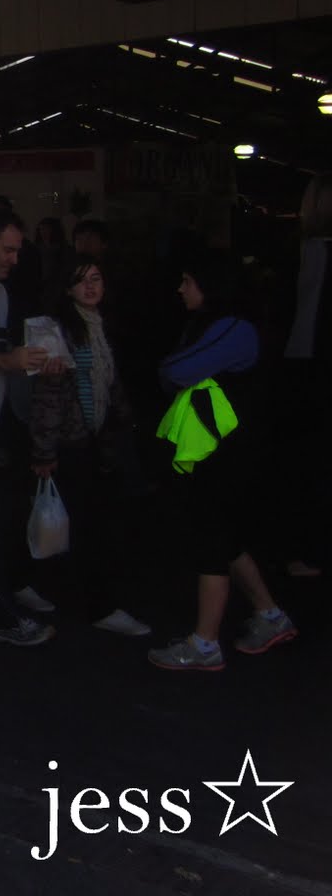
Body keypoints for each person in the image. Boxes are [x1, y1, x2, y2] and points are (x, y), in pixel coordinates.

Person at [148, 251, 296, 671]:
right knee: (228, 540)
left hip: (225, 454)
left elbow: (175, 370)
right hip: (235, 451)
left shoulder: (234, 329)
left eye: (187, 280)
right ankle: (270, 615)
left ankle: (205, 644)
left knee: (211, 541)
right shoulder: (238, 327)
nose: (180, 289)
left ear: (210, 286)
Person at [28, 254, 152, 637]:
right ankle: (96, 603)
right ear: (67, 288)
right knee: (84, 525)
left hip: (99, 439)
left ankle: (68, 592)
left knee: (93, 523)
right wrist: (44, 451)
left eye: (96, 278)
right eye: (82, 280)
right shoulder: (58, 330)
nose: (91, 286)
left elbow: (112, 385)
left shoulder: (103, 327)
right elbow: (49, 396)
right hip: (72, 442)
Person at [0, 209, 55, 647]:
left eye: (18, 251)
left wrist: (34, 361)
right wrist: (9, 361)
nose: (13, 258)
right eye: (7, 249)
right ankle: (1, 612)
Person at [279, 173, 330, 578]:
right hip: (311, 363)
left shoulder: (307, 251)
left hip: (307, 365)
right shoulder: (310, 251)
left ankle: (310, 550)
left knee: (310, 461)